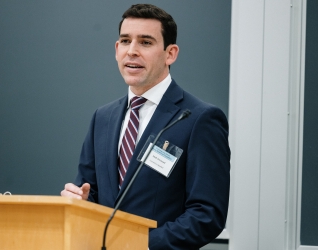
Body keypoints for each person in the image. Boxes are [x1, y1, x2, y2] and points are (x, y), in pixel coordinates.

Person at [61, 3, 230, 249]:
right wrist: (80, 202)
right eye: (126, 41)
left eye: (146, 42)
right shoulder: (103, 118)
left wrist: (137, 244)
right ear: (117, 49)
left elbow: (207, 216)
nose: (132, 51)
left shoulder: (199, 119)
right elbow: (92, 192)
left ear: (170, 53)